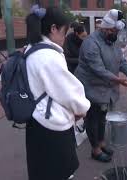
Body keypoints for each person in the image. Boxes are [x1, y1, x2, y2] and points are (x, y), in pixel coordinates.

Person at [25, 6, 91, 180]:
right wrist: (82, 108)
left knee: (41, 172)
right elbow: (69, 92)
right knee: (59, 173)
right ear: (53, 28)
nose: (64, 37)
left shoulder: (31, 49)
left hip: (36, 121)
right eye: (64, 31)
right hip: (51, 126)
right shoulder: (48, 56)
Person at [75, 9, 127, 162]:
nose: (116, 34)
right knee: (92, 119)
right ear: (105, 28)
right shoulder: (90, 43)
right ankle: (95, 150)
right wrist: (119, 81)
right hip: (90, 87)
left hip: (105, 88)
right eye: (113, 31)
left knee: (101, 118)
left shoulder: (113, 42)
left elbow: (122, 62)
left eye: (117, 31)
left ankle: (101, 143)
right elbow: (99, 70)